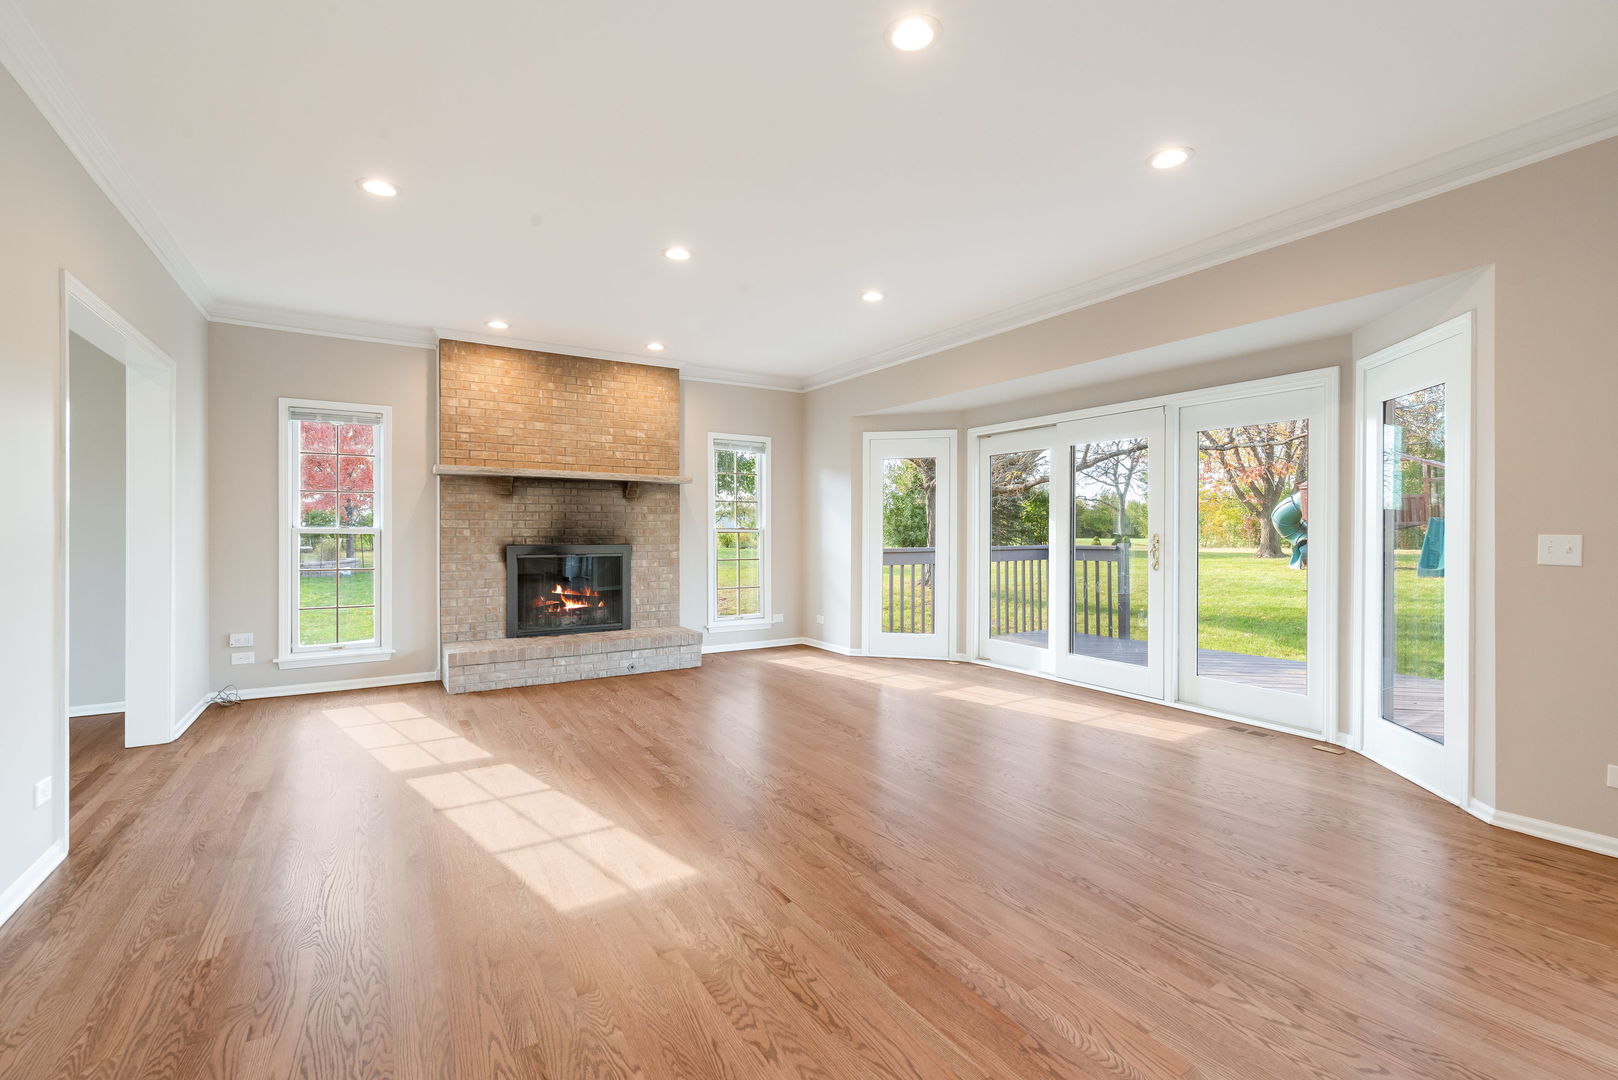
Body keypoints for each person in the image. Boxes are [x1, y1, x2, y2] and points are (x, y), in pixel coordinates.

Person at [1271, 480, 1308, 568]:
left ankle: (1304, 561)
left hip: (1286, 523)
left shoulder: (1302, 496)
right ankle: (1304, 561)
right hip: (1282, 521)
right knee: (1304, 540)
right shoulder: (1302, 497)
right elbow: (1306, 517)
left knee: (1303, 538)